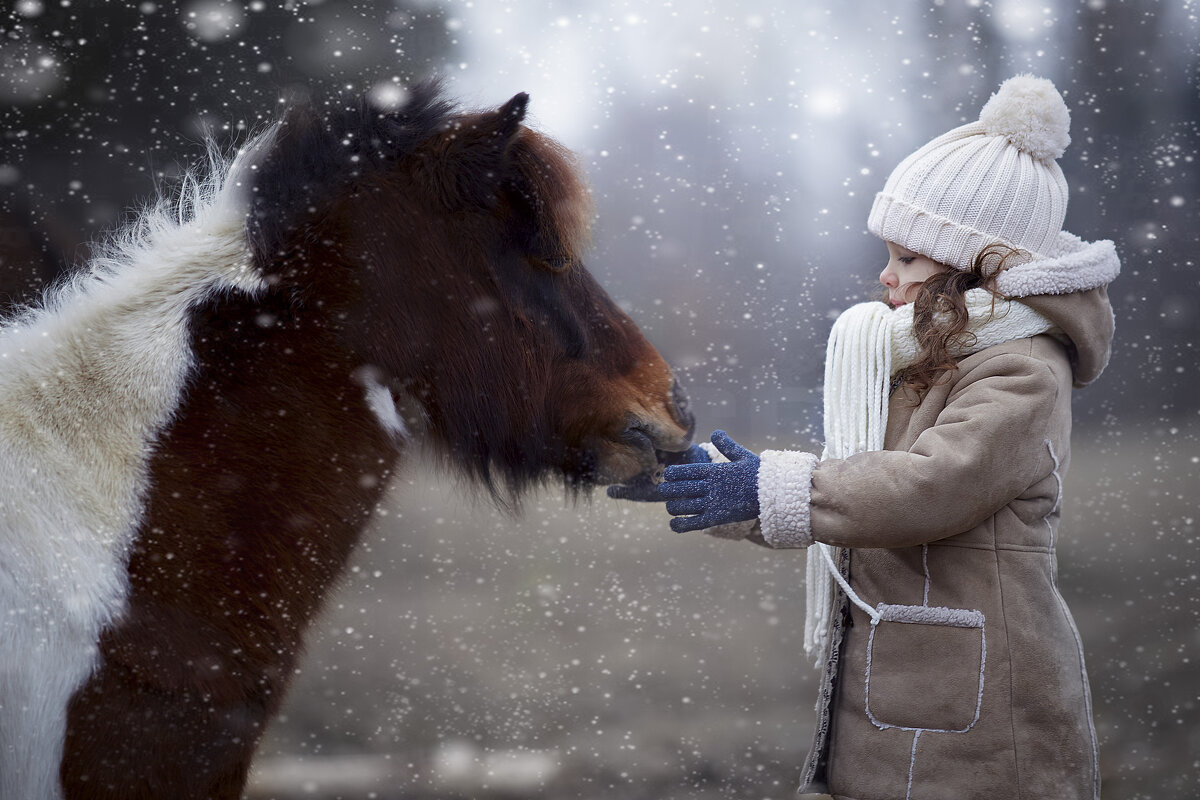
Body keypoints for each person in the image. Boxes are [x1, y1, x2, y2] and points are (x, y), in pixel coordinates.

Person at [610, 75, 1119, 800]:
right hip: (906, 690)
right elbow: (858, 493)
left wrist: (774, 487)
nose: (886, 276)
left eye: (908, 259)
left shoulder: (1021, 371)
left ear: (980, 267)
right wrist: (730, 490)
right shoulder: (922, 361)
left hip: (979, 711)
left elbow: (926, 488)